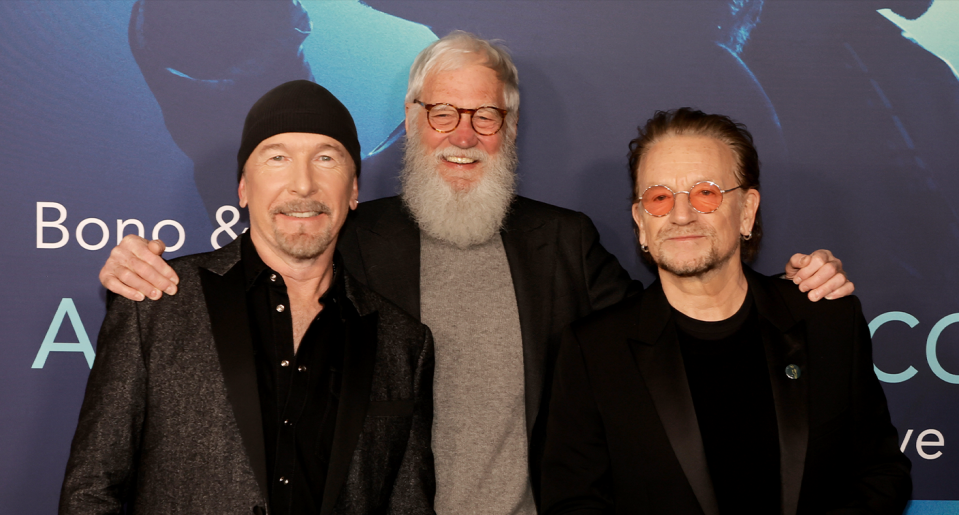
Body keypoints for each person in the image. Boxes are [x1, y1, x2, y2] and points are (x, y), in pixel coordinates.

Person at [97, 32, 853, 513]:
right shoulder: (354, 232)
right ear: (413, 120)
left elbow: (676, 322)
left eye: (484, 116)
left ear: (508, 129)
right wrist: (144, 269)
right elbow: (265, 265)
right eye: (442, 113)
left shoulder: (562, 241)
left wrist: (794, 293)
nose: (463, 134)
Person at [60, 81, 435, 515]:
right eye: (277, 158)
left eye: (326, 158)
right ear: (242, 189)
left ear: (353, 191)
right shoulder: (157, 303)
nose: (303, 185)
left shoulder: (402, 342)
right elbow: (91, 492)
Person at [541, 108, 911, 514]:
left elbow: (881, 474)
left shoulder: (827, 322)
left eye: (706, 192)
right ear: (641, 223)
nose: (681, 215)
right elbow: (573, 503)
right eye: (659, 198)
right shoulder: (595, 352)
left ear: (747, 211)